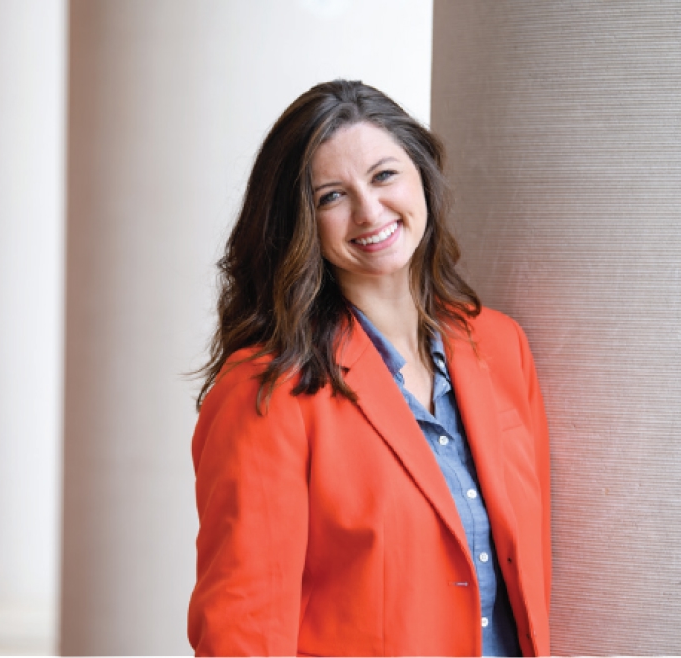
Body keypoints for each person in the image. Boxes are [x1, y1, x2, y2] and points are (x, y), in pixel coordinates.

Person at [188, 80, 551, 657]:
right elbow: (244, 626)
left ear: (421, 177)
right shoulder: (267, 390)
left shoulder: (500, 346)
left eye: (384, 176)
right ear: (300, 221)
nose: (369, 211)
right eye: (331, 196)